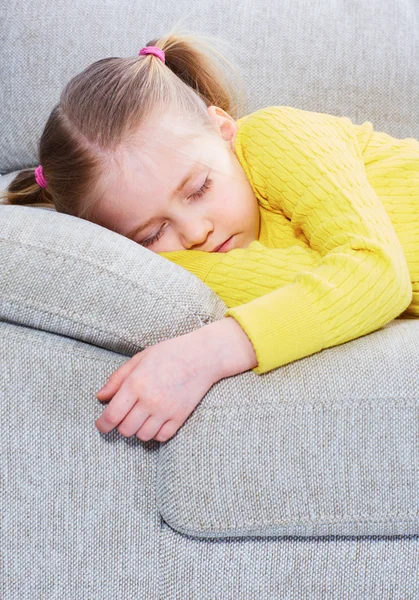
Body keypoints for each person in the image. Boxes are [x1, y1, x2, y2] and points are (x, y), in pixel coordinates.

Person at [3, 28, 419, 444]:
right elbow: (352, 282)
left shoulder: (277, 137)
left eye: (199, 188)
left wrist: (208, 353)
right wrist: (342, 277)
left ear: (222, 129)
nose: (196, 231)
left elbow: (377, 274)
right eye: (152, 234)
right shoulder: (174, 264)